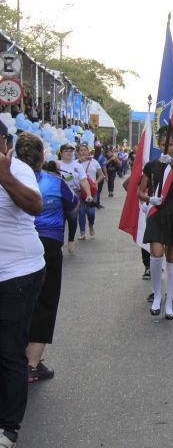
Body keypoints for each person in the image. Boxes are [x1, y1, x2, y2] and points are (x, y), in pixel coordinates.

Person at [14, 134, 78, 384]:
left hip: (14, 246)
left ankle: (13, 359)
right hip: (48, 246)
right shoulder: (55, 181)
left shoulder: (9, 179)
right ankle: (31, 364)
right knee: (45, 301)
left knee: (14, 302)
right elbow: (73, 206)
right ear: (43, 156)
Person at [0, 123, 45, 448]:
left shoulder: (18, 169)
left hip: (17, 275)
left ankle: (8, 428)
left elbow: (34, 205)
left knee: (7, 351)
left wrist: (5, 176)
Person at [138, 126, 173, 320]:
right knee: (156, 253)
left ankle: (169, 301)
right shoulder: (151, 166)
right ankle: (157, 295)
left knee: (172, 257)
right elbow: (140, 191)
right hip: (157, 212)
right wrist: (149, 199)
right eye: (164, 144)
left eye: (171, 144)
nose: (167, 147)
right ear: (158, 145)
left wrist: (171, 162)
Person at [57, 143, 92, 253]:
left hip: (73, 195)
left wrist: (89, 194)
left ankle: (71, 241)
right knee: (60, 220)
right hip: (59, 195)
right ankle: (60, 242)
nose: (69, 153)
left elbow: (84, 180)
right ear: (61, 153)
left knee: (72, 219)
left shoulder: (77, 165)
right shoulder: (57, 164)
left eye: (71, 151)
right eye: (66, 151)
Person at [76, 143, 104, 240]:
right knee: (81, 212)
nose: (83, 152)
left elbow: (101, 175)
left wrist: (96, 182)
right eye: (81, 150)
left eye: (85, 150)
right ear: (78, 152)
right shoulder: (75, 163)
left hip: (92, 190)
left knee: (91, 211)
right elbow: (70, 176)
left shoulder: (94, 162)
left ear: (88, 151)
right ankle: (82, 233)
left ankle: (91, 225)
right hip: (80, 191)